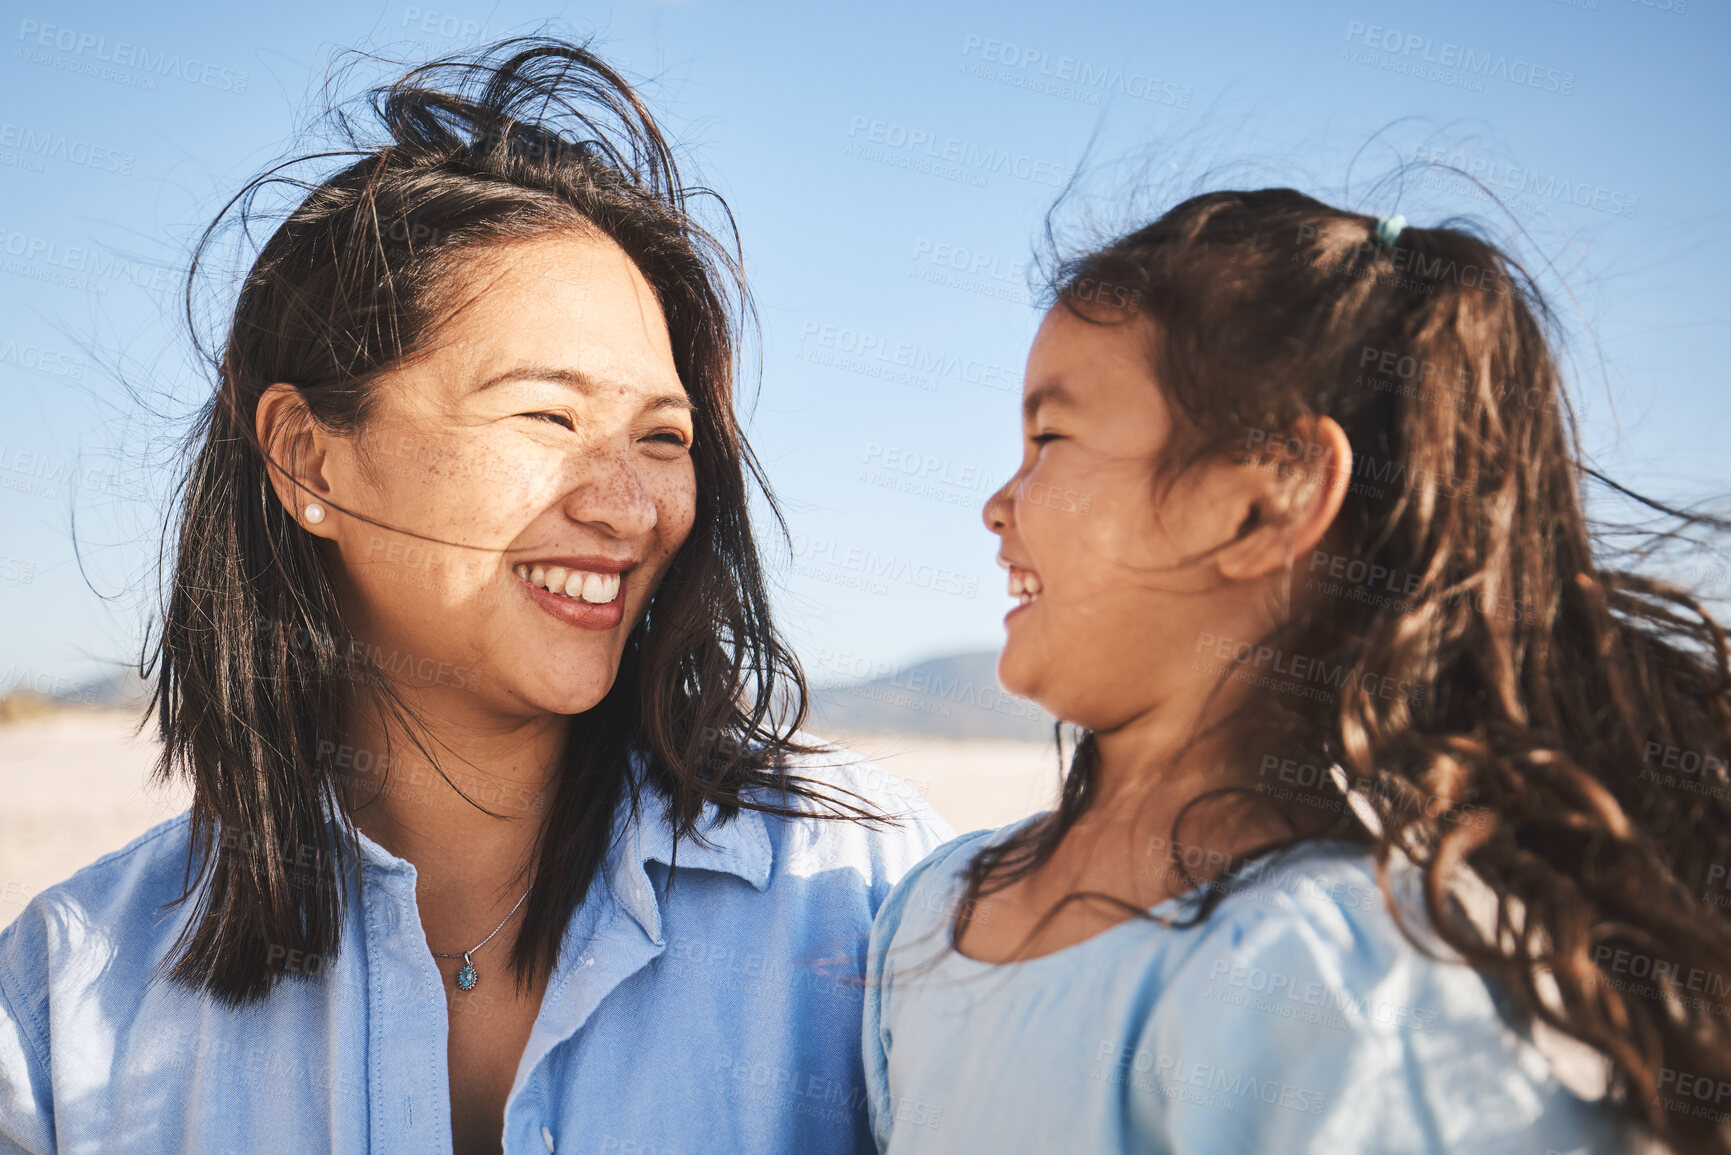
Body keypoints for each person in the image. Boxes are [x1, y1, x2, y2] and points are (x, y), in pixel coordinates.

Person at [0, 38, 949, 1155]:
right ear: (308, 460)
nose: (629, 506)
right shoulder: (76, 1002)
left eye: (662, 436)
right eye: (547, 416)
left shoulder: (859, 898)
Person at [864, 189, 1731, 1153]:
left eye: (1049, 439)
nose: (996, 503)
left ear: (1266, 502)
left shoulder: (1366, 992)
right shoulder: (932, 912)